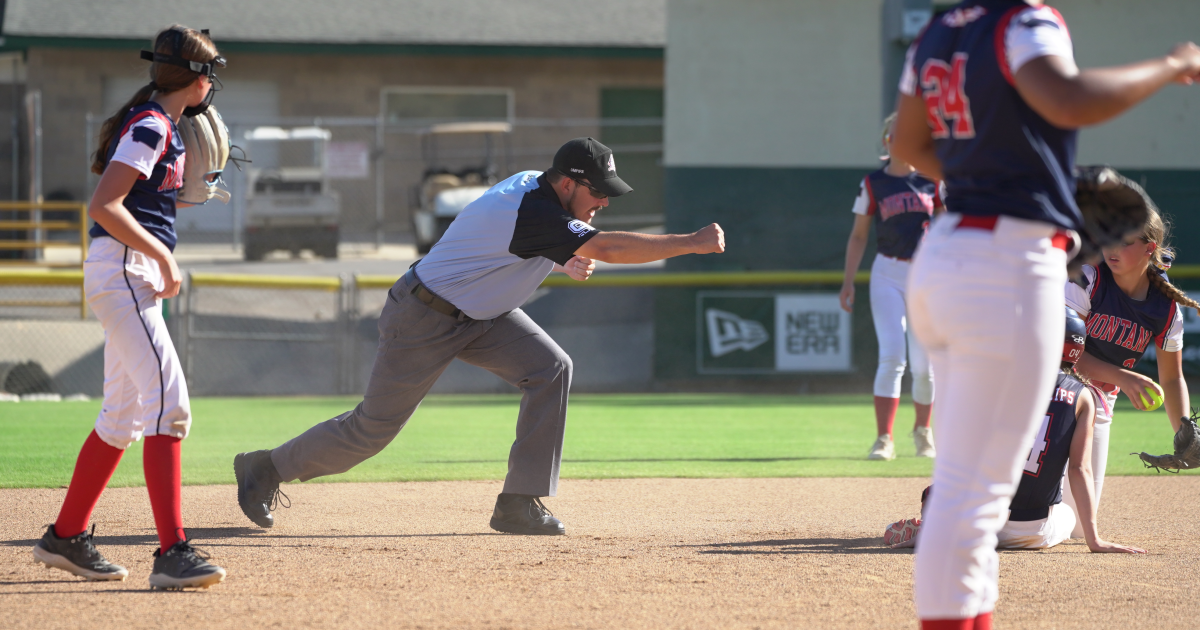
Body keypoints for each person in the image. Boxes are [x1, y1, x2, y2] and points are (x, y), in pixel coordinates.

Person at [234, 137, 725, 535]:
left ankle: (517, 503)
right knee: (370, 430)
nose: (603, 201)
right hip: (424, 316)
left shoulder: (536, 187)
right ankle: (266, 467)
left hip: (482, 316)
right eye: (598, 191)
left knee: (551, 368)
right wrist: (691, 243)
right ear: (570, 183)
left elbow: (521, 241)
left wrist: (563, 254)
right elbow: (606, 247)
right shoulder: (534, 210)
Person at [889, 0, 1200, 627]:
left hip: (947, 257)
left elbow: (905, 143)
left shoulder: (936, 29)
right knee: (978, 494)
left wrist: (996, 175)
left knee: (970, 482)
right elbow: (1067, 99)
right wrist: (1171, 64)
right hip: (1006, 260)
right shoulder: (1025, 18)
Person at [31, 25, 227, 589]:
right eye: (208, 72)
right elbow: (106, 204)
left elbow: (133, 202)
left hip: (127, 271)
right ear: (196, 78)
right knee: (171, 402)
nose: (210, 84)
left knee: (122, 418)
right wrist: (164, 257)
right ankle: (172, 553)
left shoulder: (160, 124)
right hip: (124, 269)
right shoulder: (150, 125)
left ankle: (65, 537)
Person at [1061, 208, 1198, 534]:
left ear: (1150, 249)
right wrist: (1124, 377)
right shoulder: (1088, 278)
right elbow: (1061, 354)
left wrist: (1184, 429)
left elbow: (1171, 377)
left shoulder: (1164, 307)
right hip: (1053, 392)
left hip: (1099, 403)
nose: (1111, 248)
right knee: (1043, 514)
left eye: (1124, 241)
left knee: (1079, 526)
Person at [839, 114, 944, 461]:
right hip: (888, 272)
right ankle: (884, 438)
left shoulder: (934, 182)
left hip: (926, 277)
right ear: (886, 141)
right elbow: (858, 235)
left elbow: (950, 230)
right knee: (892, 356)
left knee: (925, 366)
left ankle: (923, 432)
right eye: (896, 134)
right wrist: (848, 281)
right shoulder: (874, 183)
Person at [997, 308, 1142, 553]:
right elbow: (1079, 468)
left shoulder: (1000, 379)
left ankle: (940, 528)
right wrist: (1094, 540)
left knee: (935, 495)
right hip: (1036, 532)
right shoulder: (1084, 396)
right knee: (1066, 514)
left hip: (981, 523)